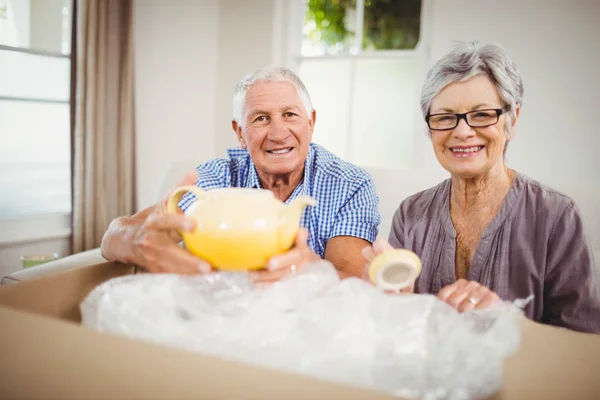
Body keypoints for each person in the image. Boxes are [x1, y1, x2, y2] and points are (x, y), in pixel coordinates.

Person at [363, 42, 600, 333]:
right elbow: (394, 332)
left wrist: (504, 321)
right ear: (430, 129)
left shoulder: (556, 216)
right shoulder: (410, 215)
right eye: (445, 117)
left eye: (482, 114)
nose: (462, 132)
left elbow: (582, 344)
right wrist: (395, 304)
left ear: (512, 121)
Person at [101, 67, 380, 284]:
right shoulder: (216, 179)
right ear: (240, 133)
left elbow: (353, 283)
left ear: (311, 122)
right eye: (260, 118)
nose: (278, 133)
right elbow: (113, 237)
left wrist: (313, 271)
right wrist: (140, 245)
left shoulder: (350, 184)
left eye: (290, 114)